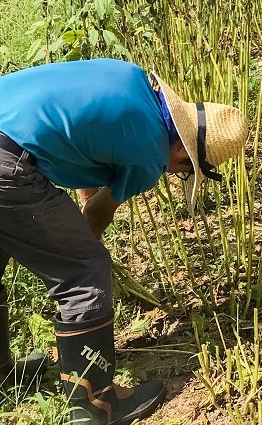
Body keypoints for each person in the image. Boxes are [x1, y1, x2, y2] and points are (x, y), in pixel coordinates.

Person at [0, 58, 248, 424]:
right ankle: (95, 405)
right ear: (182, 152)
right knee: (84, 272)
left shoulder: (131, 80)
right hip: (7, 163)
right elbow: (98, 214)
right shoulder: (150, 154)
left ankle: (3, 376)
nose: (174, 174)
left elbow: (81, 135)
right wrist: (84, 256)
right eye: (183, 171)